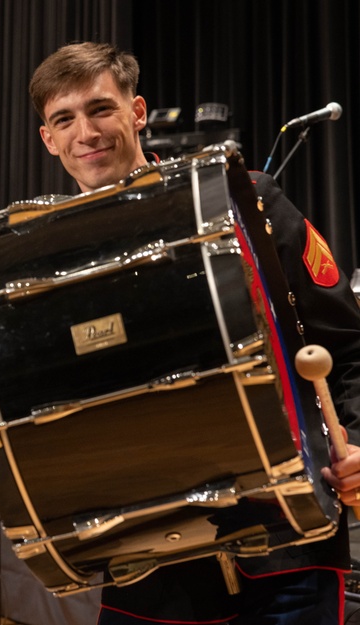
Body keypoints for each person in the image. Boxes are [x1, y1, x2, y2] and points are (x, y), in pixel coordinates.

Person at [28, 41, 360, 624]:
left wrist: (358, 445)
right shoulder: (38, 268)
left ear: (137, 112)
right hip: (146, 574)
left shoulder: (246, 202)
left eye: (101, 108)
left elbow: (349, 346)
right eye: (65, 119)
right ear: (48, 140)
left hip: (288, 549)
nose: (87, 132)